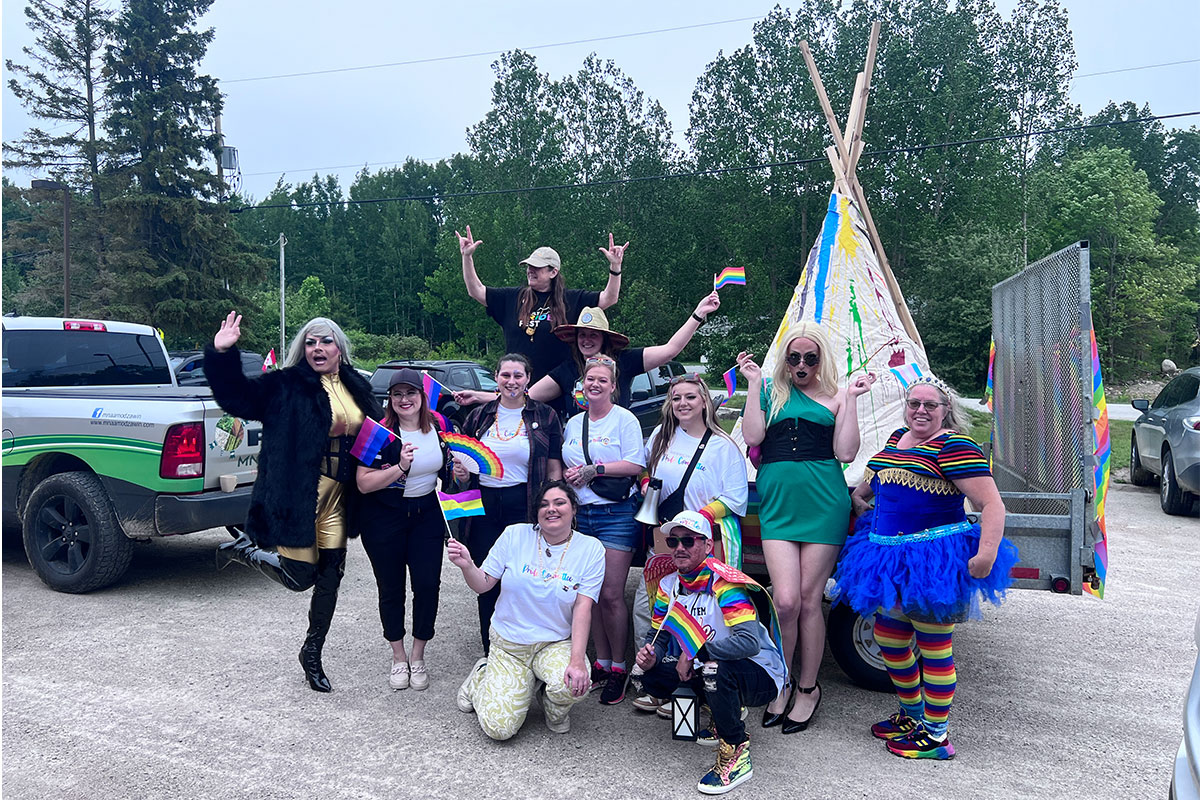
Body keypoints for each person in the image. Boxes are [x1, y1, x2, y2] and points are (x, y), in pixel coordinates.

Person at [830, 377, 1018, 760]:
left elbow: (992, 505)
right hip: (888, 559)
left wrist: (986, 554)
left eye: (930, 405)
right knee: (889, 636)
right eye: (914, 403)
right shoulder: (897, 438)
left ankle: (936, 736)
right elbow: (875, 479)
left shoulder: (954, 447)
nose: (920, 410)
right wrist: (859, 499)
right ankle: (912, 715)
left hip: (932, 563)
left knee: (933, 646)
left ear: (945, 410)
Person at [209, 312, 379, 693]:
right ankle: (246, 550)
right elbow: (238, 396)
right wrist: (222, 355)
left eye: (326, 341)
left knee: (330, 578)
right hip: (299, 495)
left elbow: (379, 431)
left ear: (339, 349)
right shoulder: (286, 385)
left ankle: (312, 653)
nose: (318, 348)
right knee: (299, 576)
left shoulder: (356, 386)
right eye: (311, 342)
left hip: (339, 497)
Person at [737, 323, 875, 733]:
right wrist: (753, 384)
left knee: (810, 600)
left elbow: (846, 452)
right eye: (794, 357)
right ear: (785, 360)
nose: (801, 365)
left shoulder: (837, 396)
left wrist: (852, 399)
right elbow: (752, 436)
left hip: (823, 504)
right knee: (784, 601)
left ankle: (808, 688)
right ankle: (781, 680)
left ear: (821, 360)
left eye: (810, 358)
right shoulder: (770, 392)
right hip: (779, 506)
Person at [634, 511, 786, 795]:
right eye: (673, 541)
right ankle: (722, 714)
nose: (679, 548)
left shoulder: (724, 584)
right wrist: (651, 656)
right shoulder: (669, 584)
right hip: (712, 665)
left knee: (713, 669)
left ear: (707, 546)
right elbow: (659, 636)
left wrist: (696, 653)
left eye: (688, 540)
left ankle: (736, 752)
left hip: (760, 672)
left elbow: (749, 643)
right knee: (652, 675)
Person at [629, 373, 749, 715]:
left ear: (705, 402)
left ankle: (696, 691)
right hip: (664, 539)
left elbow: (735, 498)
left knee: (702, 616)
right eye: (676, 397)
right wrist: (646, 484)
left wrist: (695, 520)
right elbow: (642, 470)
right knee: (652, 609)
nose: (682, 403)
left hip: (701, 543)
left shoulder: (723, 446)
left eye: (690, 397)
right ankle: (658, 683)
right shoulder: (660, 435)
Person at [448, 481, 605, 740]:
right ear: (536, 512)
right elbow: (483, 585)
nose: (551, 509)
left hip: (553, 643)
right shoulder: (514, 535)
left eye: (559, 503)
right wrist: (467, 565)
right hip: (510, 645)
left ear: (574, 509)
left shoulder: (591, 549)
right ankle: (481, 676)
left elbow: (583, 607)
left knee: (575, 683)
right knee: (499, 729)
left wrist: (577, 660)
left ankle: (550, 703)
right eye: (544, 505)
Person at [355, 368, 465, 691]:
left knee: (428, 585)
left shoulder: (440, 426)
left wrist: (460, 474)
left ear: (422, 396)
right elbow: (363, 483)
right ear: (390, 398)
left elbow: (449, 471)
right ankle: (398, 657)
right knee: (391, 588)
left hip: (427, 515)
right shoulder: (376, 431)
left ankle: (418, 656)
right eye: (398, 394)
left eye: (411, 393)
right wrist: (401, 467)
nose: (405, 400)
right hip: (384, 518)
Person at [455, 293, 721, 420]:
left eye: (593, 335)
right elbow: (525, 397)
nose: (586, 339)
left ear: (604, 338)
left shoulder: (625, 361)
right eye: (582, 335)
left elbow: (671, 349)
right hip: (576, 450)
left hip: (615, 449)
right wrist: (479, 396)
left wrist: (698, 314)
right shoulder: (567, 370)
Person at [459, 353, 564, 656]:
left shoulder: (545, 415)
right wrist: (460, 473)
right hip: (483, 504)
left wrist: (553, 503)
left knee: (524, 577)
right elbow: (461, 460)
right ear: (496, 378)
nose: (512, 381)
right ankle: (490, 651)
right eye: (506, 375)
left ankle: (526, 649)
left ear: (528, 379)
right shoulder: (479, 416)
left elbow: (554, 466)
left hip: (525, 502)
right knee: (487, 577)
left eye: (518, 375)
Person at [560, 355, 646, 704]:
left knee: (611, 594)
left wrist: (595, 470)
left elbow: (636, 463)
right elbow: (566, 461)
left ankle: (619, 667)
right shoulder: (574, 422)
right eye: (589, 379)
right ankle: (601, 662)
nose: (594, 385)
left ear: (613, 386)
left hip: (616, 515)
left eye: (602, 380)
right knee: (588, 594)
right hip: (582, 516)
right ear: (582, 385)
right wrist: (568, 477)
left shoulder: (624, 419)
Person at [457, 226, 626, 382]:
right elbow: (476, 290)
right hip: (518, 386)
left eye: (537, 267)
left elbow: (609, 298)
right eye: (528, 266)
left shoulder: (571, 299)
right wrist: (467, 257)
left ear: (553, 272)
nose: (530, 270)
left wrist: (615, 266)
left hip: (557, 388)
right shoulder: (513, 297)